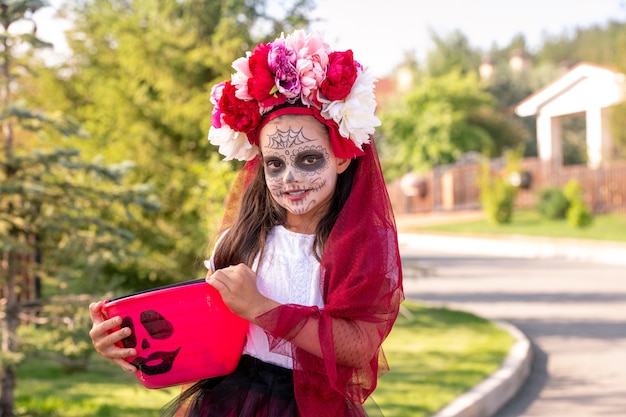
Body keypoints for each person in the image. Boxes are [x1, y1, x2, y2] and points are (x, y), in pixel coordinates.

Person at [89, 29, 404, 417]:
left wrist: (261, 307)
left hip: (309, 407)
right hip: (228, 401)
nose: (289, 177)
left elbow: (358, 345)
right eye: (275, 163)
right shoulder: (242, 242)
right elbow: (202, 330)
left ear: (340, 157)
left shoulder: (353, 248)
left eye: (308, 159)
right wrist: (128, 341)